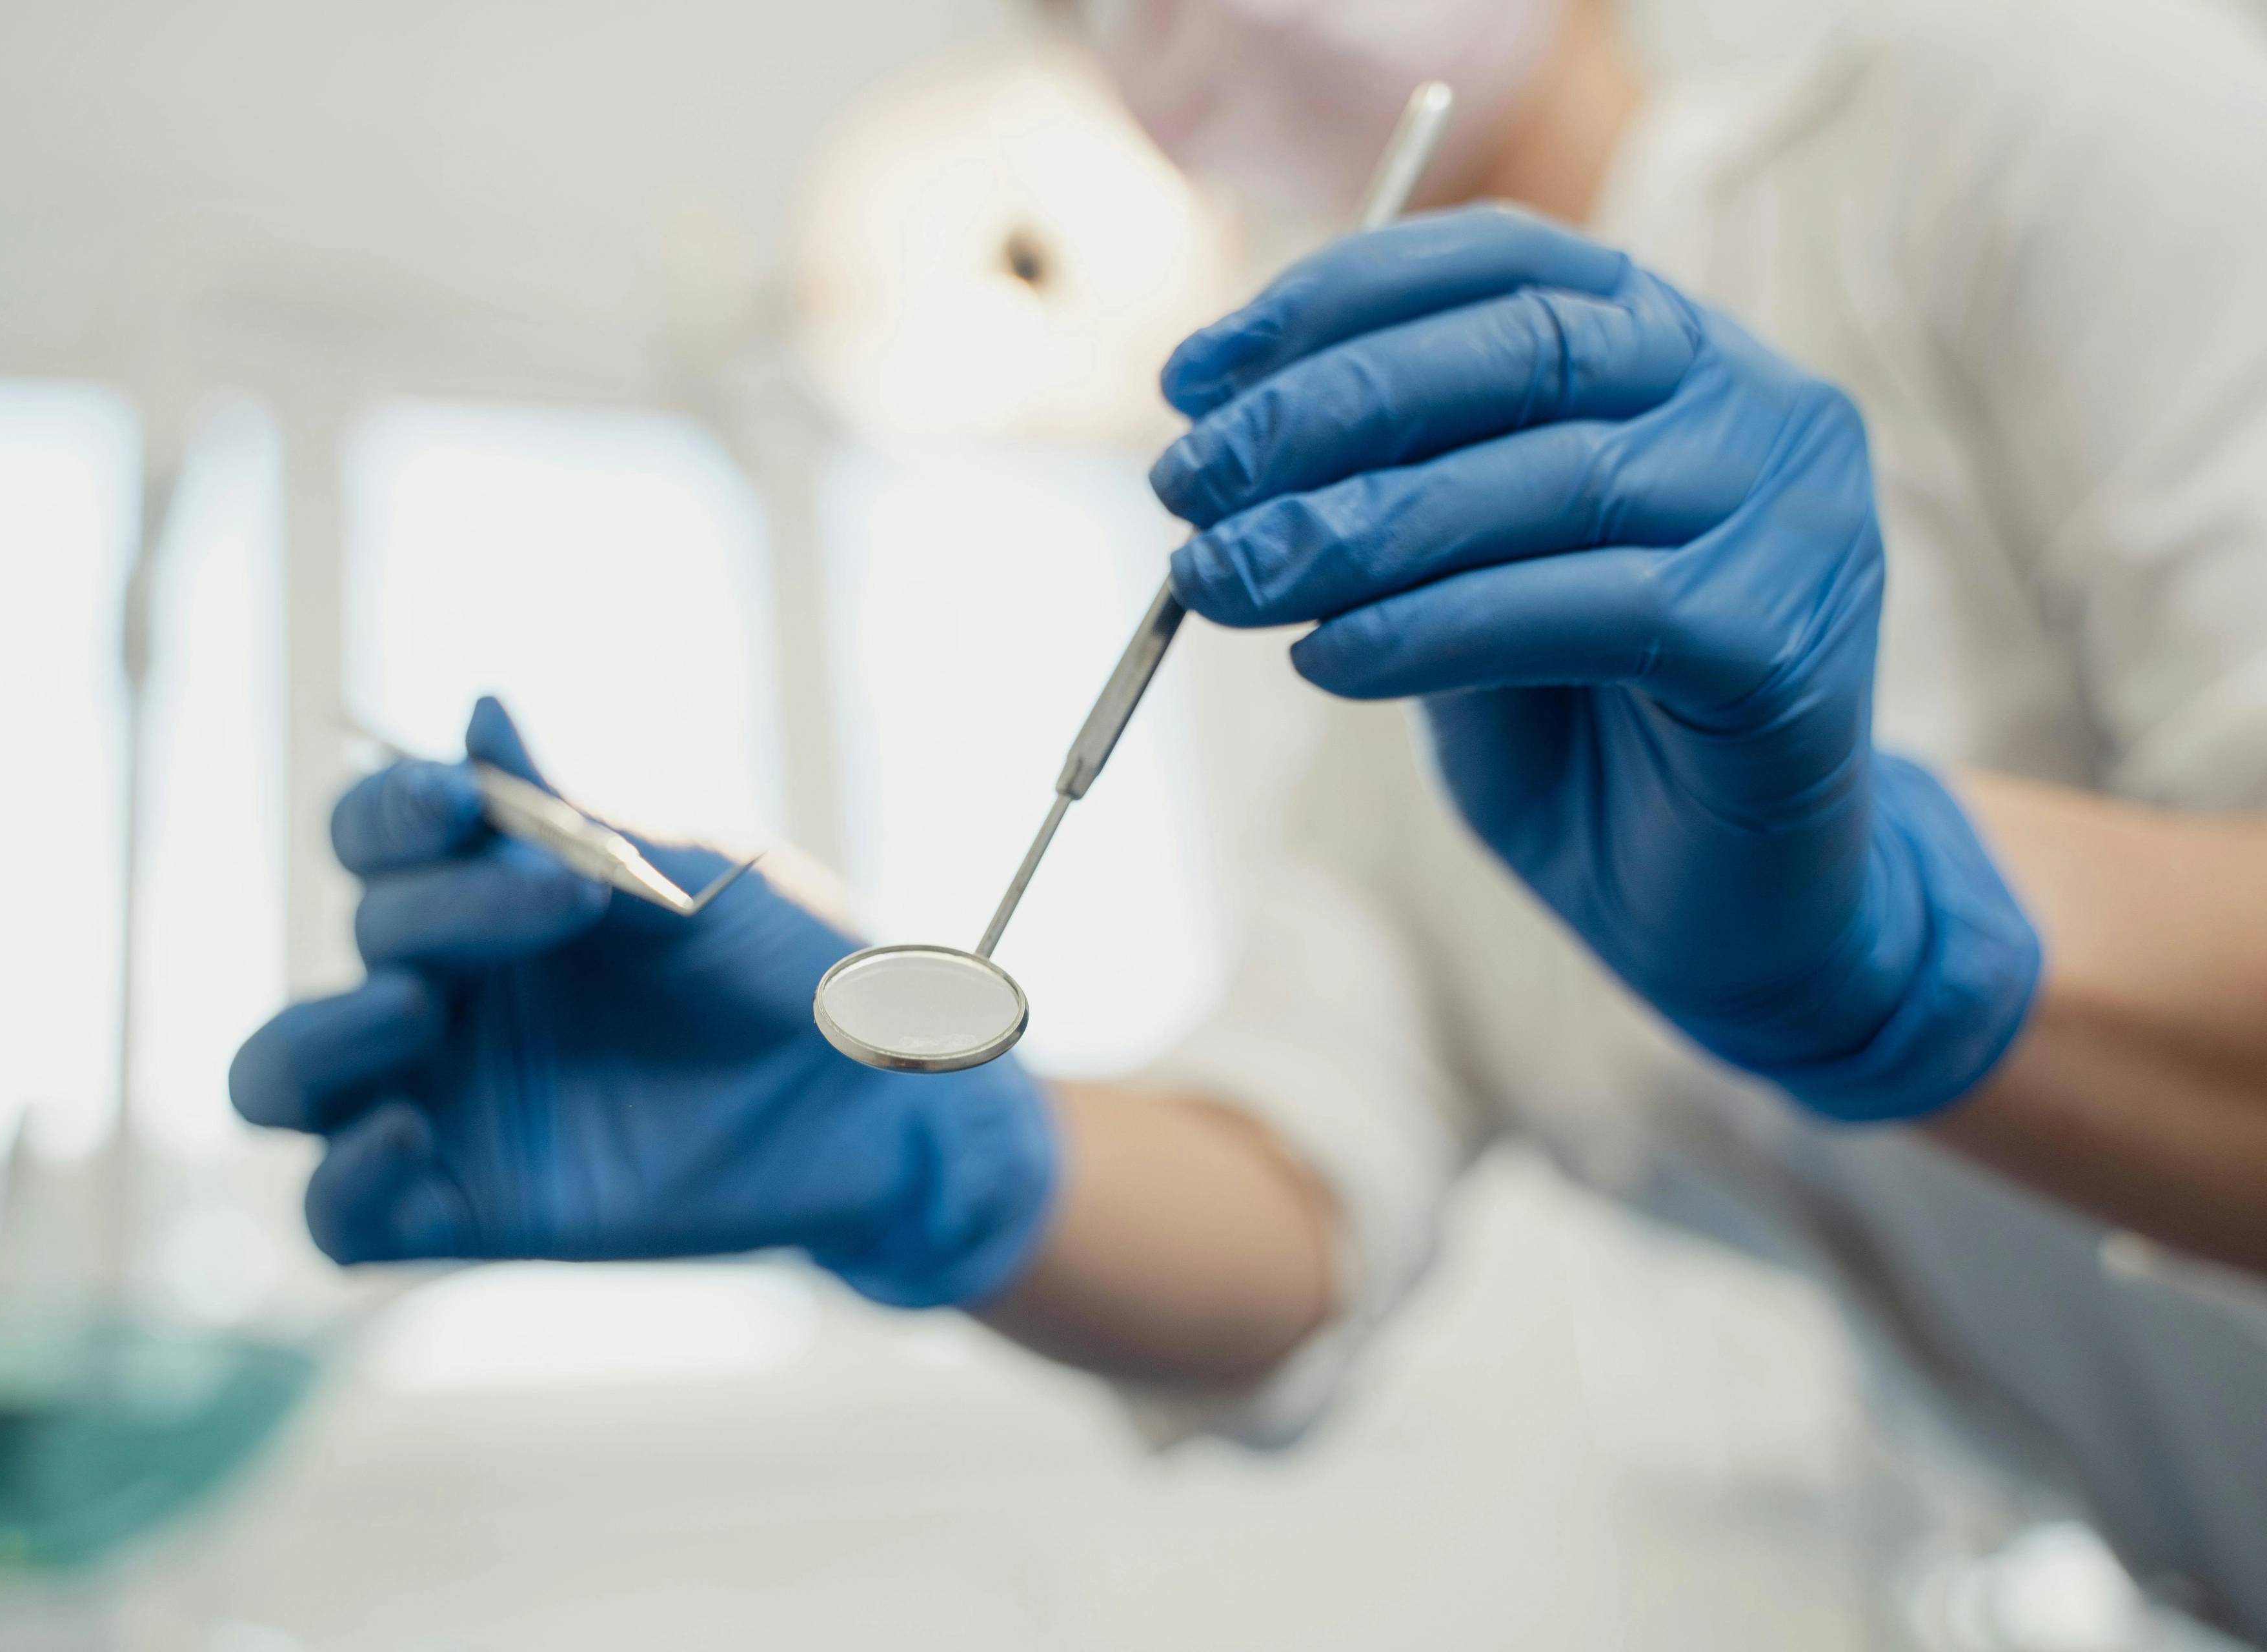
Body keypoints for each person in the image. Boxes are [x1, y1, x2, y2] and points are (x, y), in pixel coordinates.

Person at [230, 0, 2267, 1635]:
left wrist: (1900, 928)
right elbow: (1299, 1200)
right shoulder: (1381, 640)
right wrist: (928, 1152)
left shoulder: (2022, 118)